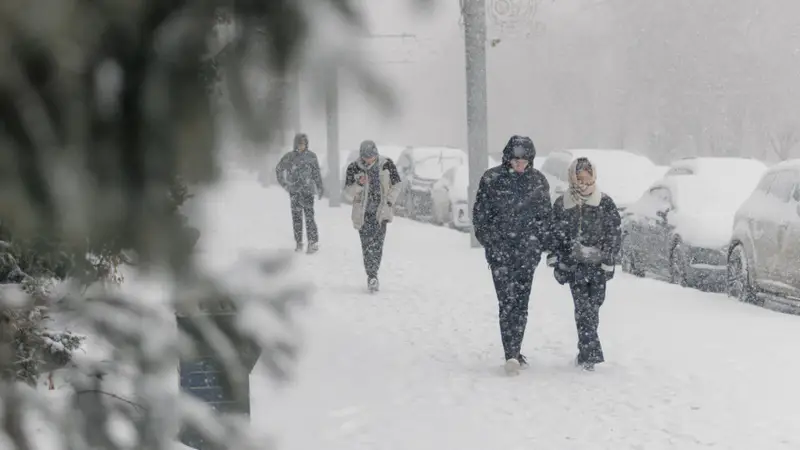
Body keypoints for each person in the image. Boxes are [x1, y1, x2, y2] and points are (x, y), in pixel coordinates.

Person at [472, 135, 552, 376]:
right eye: (516, 159)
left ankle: (515, 350)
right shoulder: (491, 179)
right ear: (508, 158)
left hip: (526, 254)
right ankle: (511, 352)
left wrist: (536, 244)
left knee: (521, 302)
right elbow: (480, 216)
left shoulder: (538, 182)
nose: (520, 164)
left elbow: (545, 218)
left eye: (524, 160)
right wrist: (492, 244)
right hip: (500, 254)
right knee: (506, 302)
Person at [547, 157, 621, 371]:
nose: (584, 184)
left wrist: (608, 258)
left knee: (594, 307)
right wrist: (557, 257)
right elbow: (555, 233)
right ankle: (590, 355)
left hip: (598, 266)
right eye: (579, 180)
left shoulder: (604, 202)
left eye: (587, 180)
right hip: (575, 266)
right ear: (572, 178)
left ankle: (585, 351)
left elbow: (613, 232)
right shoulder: (563, 203)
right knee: (583, 308)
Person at [342, 140, 402, 292]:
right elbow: (348, 193)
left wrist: (389, 201)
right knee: (367, 245)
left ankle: (373, 275)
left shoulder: (387, 165)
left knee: (377, 245)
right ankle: (371, 274)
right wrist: (359, 184)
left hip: (380, 214)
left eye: (372, 156)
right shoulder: (354, 168)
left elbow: (397, 185)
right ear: (362, 156)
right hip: (363, 215)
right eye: (367, 157)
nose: (370, 160)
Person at [275, 133, 324, 253]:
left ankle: (312, 242)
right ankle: (299, 242)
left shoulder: (311, 156)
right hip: (295, 192)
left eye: (303, 143)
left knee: (309, 217)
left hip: (308, 192)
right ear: (295, 144)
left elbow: (316, 173)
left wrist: (320, 186)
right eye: (299, 143)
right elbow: (279, 169)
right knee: (297, 218)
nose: (301, 146)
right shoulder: (290, 157)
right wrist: (285, 184)